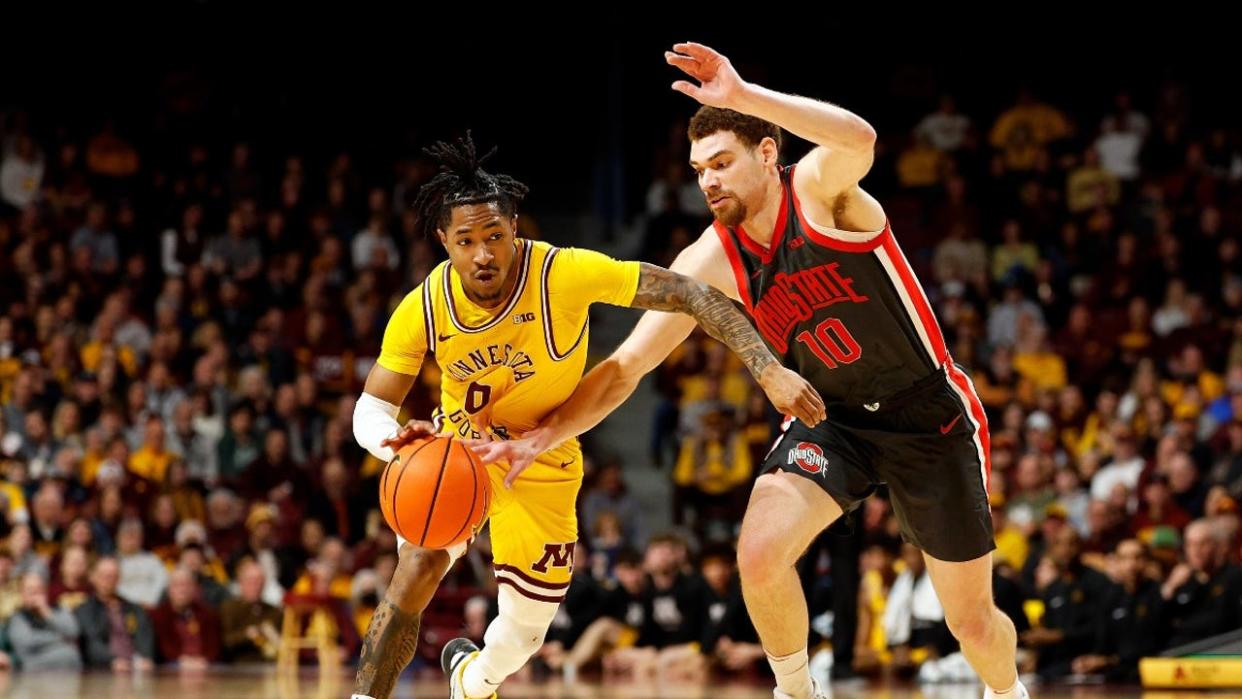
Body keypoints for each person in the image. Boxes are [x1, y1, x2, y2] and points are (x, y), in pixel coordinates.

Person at [476, 42, 1023, 699]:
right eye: (699, 169)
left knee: (972, 622)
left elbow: (861, 138)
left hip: (923, 410)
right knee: (759, 553)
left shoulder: (821, 195)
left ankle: (1007, 690)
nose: (707, 180)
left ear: (767, 154)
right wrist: (547, 433)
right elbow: (628, 364)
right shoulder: (710, 256)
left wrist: (742, 97)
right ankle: (796, 689)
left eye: (722, 162)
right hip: (831, 419)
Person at [349, 134, 821, 699]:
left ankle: (473, 680)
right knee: (417, 565)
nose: (483, 254)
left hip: (544, 457)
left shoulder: (562, 274)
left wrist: (766, 368)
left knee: (524, 634)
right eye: (467, 240)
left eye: (495, 236)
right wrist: (396, 443)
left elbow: (694, 295)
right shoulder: (423, 306)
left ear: (515, 228)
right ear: (443, 240)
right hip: (464, 455)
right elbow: (372, 407)